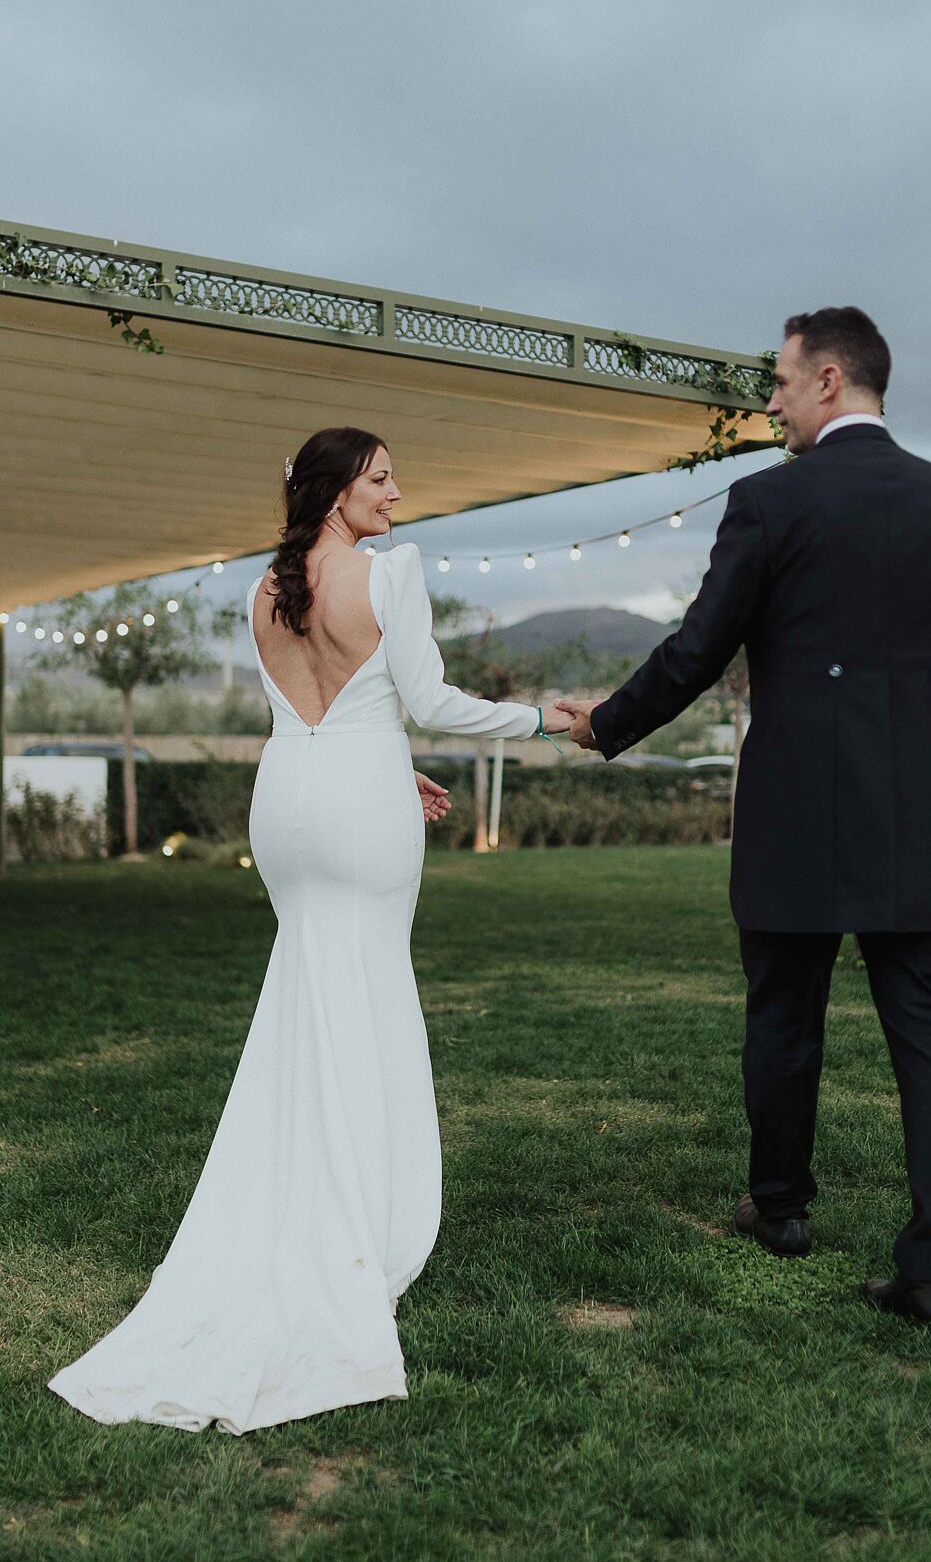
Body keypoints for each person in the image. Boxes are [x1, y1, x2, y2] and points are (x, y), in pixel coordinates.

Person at [48, 427, 572, 1431]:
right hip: (357, 809)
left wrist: (386, 759)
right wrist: (548, 720)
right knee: (366, 994)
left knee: (308, 990)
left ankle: (297, 1205)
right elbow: (430, 701)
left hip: (287, 801)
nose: (397, 492)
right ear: (337, 490)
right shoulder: (389, 574)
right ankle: (355, 1225)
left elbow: (322, 711)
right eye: (381, 478)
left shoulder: (261, 591)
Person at [558, 309, 931, 1347]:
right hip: (924, 818)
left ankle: (779, 1206)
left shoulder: (770, 500)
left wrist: (607, 725)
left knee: (782, 1012)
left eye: (775, 382)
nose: (767, 401)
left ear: (825, 379)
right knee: (930, 1032)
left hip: (795, 814)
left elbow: (697, 646)